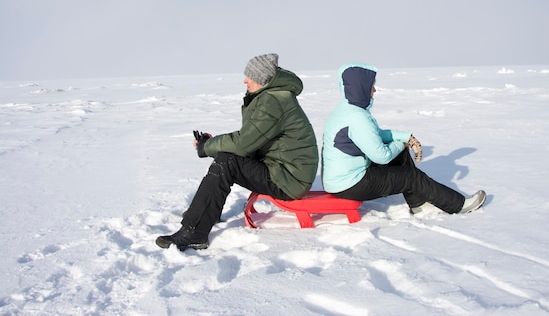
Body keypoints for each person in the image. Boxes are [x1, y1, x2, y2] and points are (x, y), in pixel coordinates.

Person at [157, 53, 319, 251]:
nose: (245, 80)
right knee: (227, 158)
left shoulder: (273, 101)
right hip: (283, 170)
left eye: (249, 76)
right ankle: (204, 214)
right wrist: (211, 144)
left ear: (263, 79)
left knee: (227, 162)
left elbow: (243, 143)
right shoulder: (272, 96)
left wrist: (206, 147)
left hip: (288, 179)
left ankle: (195, 233)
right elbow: (251, 140)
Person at [321, 62, 485, 216]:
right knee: (411, 176)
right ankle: (459, 205)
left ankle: (418, 204)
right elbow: (382, 156)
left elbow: (375, 135)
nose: (375, 90)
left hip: (341, 179)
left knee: (401, 156)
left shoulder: (348, 110)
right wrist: (401, 144)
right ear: (361, 87)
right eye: (372, 85)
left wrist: (406, 137)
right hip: (349, 184)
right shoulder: (357, 117)